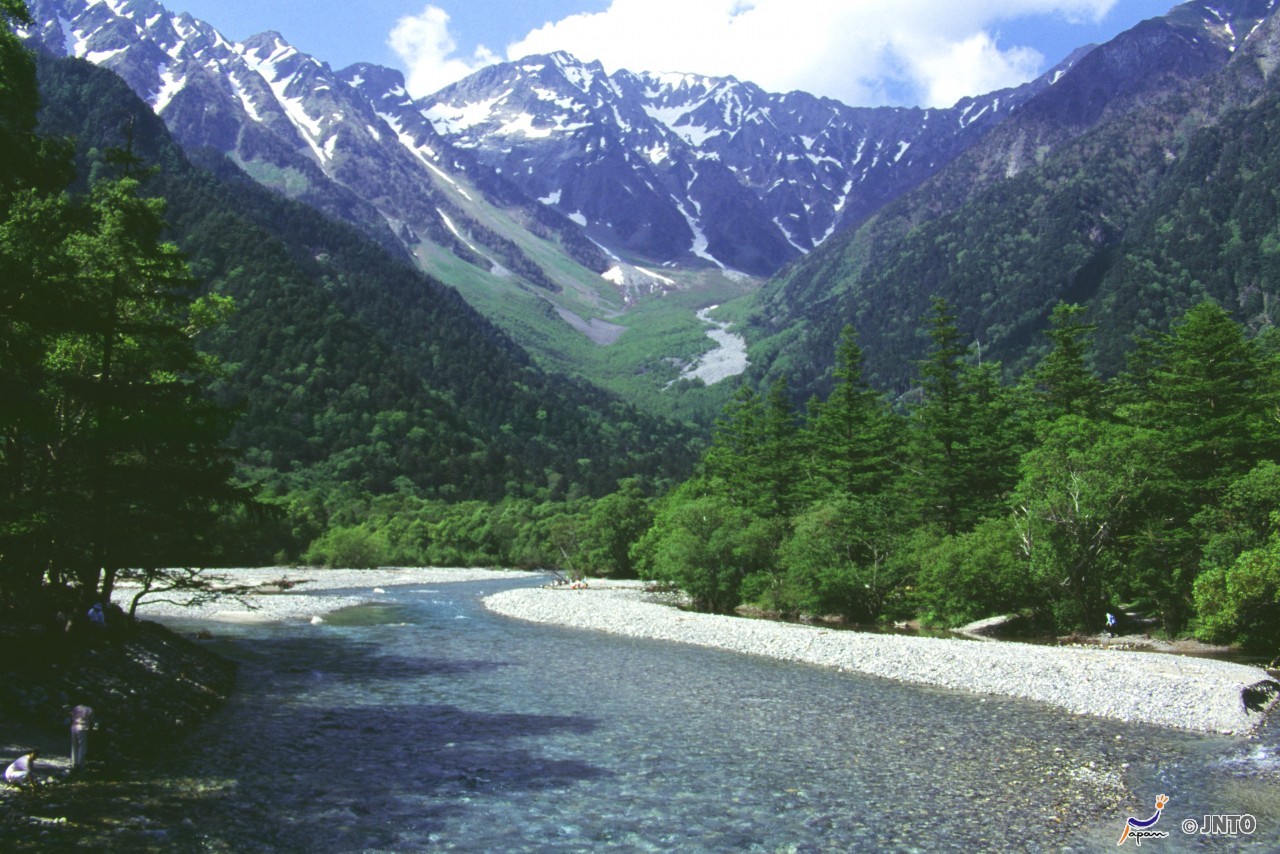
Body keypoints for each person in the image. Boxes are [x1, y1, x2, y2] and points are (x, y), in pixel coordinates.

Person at [70, 704, 94, 770]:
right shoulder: (89, 709)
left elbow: (72, 716)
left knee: (74, 745)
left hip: (74, 726)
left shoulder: (76, 707)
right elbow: (91, 720)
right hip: (83, 728)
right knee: (82, 746)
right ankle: (80, 764)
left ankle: (73, 763)